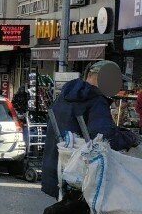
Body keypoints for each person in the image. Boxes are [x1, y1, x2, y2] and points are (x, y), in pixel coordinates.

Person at [41, 60, 140, 199]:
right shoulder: (95, 100)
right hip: (80, 176)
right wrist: (131, 138)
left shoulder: (64, 96)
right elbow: (106, 138)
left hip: (56, 170)